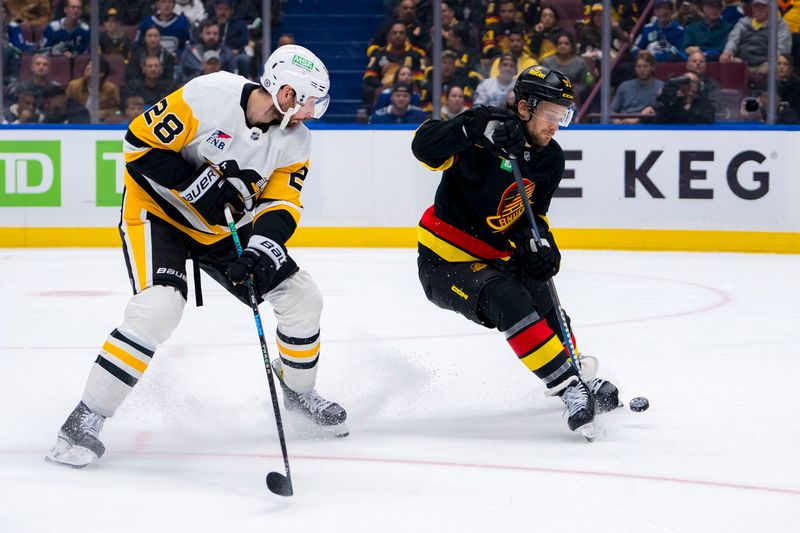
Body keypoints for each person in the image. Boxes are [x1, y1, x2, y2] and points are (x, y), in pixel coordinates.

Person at [45, 44, 348, 469]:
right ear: (285, 92)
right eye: (309, 100)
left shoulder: (297, 141)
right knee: (159, 308)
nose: (312, 111)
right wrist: (198, 183)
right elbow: (138, 146)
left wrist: (264, 248)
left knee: (302, 297)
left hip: (222, 229)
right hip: (158, 214)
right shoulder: (210, 94)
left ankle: (299, 393)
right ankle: (82, 420)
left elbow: (283, 206)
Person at [411, 65, 619, 436]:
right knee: (507, 298)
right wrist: (469, 125)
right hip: (444, 261)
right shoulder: (482, 133)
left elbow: (532, 214)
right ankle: (568, 386)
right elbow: (423, 147)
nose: (556, 125)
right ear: (524, 108)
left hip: (495, 256)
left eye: (563, 116)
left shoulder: (550, 159)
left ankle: (571, 372)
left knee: (541, 290)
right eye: (551, 115)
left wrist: (540, 241)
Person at [720, 0, 792, 74]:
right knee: (726, 61)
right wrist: (728, 52)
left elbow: (783, 49)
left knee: (772, 68)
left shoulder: (780, 25)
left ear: (770, 8)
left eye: (763, 6)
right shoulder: (743, 22)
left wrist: (772, 63)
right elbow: (733, 39)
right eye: (756, 6)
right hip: (742, 63)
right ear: (752, 8)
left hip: (766, 65)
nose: (760, 9)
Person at [610, 51, 663, 123]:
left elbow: (665, 114)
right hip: (623, 127)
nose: (642, 70)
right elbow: (611, 110)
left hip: (647, 128)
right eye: (639, 66)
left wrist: (638, 119)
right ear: (635, 68)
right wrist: (617, 122)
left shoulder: (661, 87)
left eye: (645, 66)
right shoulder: (624, 86)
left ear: (652, 67)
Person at [65, 56, 121, 121]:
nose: (87, 67)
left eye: (92, 66)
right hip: (77, 121)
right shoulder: (73, 86)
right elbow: (66, 106)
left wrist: (105, 113)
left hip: (101, 123)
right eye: (88, 64)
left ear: (101, 74)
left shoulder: (111, 89)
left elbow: (117, 111)